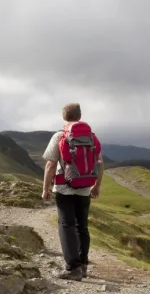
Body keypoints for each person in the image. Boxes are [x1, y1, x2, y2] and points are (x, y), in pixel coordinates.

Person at [41, 103, 104, 281]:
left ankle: (72, 268)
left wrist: (45, 188)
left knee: (66, 225)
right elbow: (100, 163)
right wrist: (97, 185)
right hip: (84, 188)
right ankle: (83, 265)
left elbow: (50, 164)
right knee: (82, 226)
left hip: (63, 188)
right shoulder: (91, 137)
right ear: (80, 115)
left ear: (64, 117)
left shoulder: (60, 136)